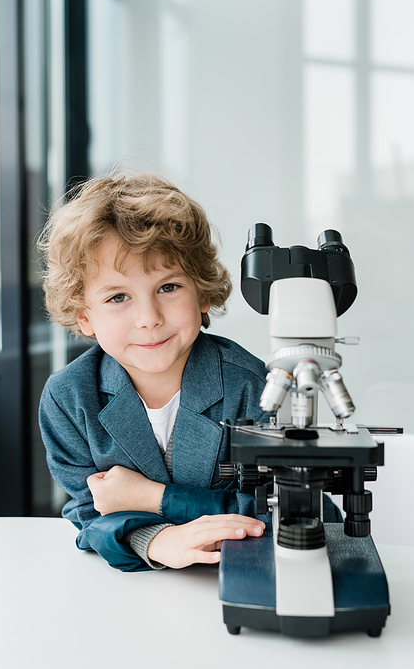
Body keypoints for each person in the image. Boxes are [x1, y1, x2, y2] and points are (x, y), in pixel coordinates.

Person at [38, 172, 269, 572]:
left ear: (203, 292)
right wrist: (156, 540)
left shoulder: (253, 387)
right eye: (118, 296)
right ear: (83, 315)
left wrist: (153, 498)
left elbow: (279, 512)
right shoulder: (69, 398)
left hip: (239, 578)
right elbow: (85, 514)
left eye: (168, 287)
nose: (148, 318)